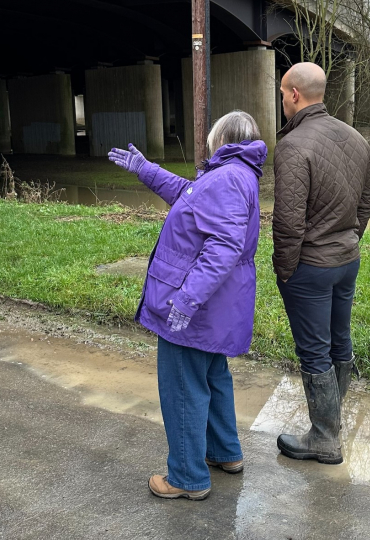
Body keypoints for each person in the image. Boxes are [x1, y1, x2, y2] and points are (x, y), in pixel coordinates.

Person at [108, 111, 266, 500]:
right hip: (218, 306)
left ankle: (186, 477)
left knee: (182, 386)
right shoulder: (234, 173)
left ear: (224, 138)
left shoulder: (228, 177)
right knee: (212, 376)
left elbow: (223, 247)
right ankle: (224, 452)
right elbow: (188, 195)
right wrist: (146, 170)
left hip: (199, 307)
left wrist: (187, 299)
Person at [272, 62, 370, 464]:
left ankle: (324, 438)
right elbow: (367, 203)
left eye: (282, 93)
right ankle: (330, 426)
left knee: (314, 351)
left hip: (311, 267)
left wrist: (286, 269)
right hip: (346, 260)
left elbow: (287, 221)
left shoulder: (294, 146)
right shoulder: (356, 139)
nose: (282, 100)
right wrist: (348, 240)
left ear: (294, 95)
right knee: (339, 341)